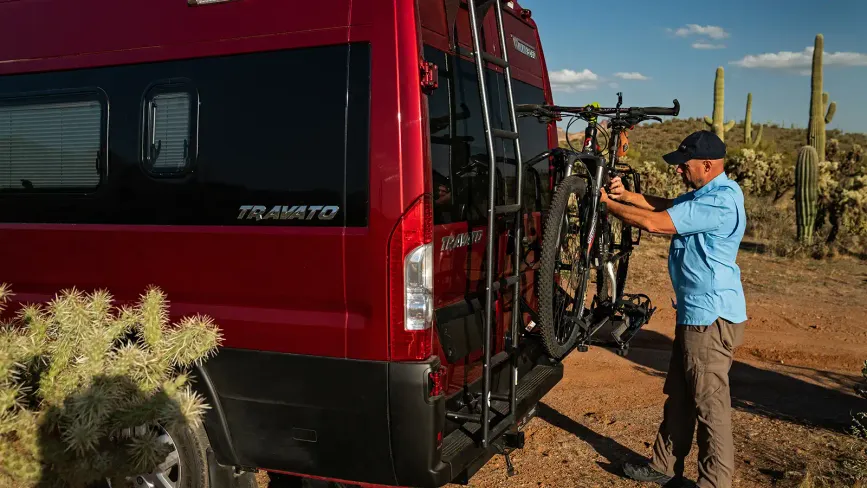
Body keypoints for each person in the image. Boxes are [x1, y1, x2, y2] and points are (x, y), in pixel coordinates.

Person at [598, 130, 748, 488]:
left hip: (710, 319)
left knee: (710, 406)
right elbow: (666, 206)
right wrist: (626, 196)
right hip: (695, 314)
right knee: (680, 394)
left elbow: (654, 223)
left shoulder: (721, 201)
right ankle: (664, 465)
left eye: (685, 166)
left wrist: (606, 205)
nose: (679, 171)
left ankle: (715, 483)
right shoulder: (709, 193)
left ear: (708, 165)